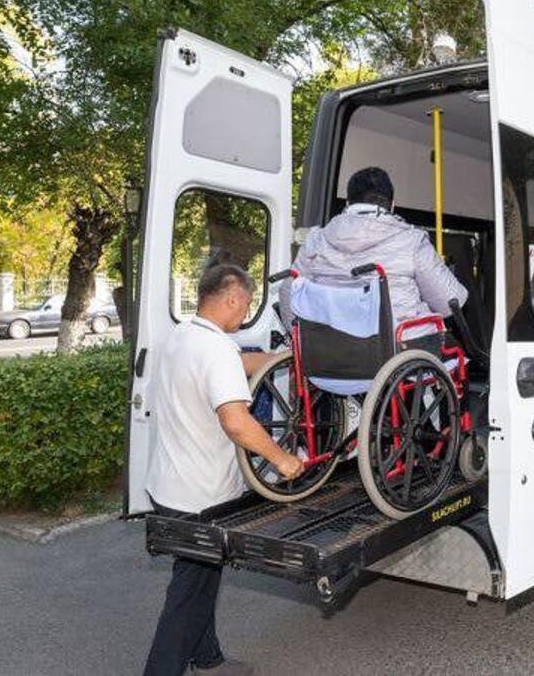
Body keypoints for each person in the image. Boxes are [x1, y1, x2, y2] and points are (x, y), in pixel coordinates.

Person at [143, 263, 304, 676]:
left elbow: (239, 362)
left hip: (168, 487)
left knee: (202, 576)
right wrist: (281, 458)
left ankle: (208, 659)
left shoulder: (181, 335)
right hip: (201, 496)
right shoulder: (215, 349)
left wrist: (281, 359)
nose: (245, 315)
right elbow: (235, 422)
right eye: (246, 306)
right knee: (189, 593)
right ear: (233, 297)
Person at [292, 166, 468, 324]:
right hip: (402, 345)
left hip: (328, 344)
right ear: (392, 206)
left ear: (347, 203)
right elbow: (450, 303)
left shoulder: (314, 241)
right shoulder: (413, 241)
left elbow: (290, 296)